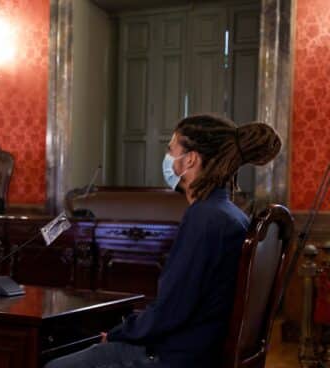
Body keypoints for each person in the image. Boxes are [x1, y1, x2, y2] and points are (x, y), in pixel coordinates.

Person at [44, 114, 282, 368]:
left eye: (171, 150)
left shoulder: (204, 217)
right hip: (202, 350)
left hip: (176, 357)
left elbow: (172, 310)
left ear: (190, 159)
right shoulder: (230, 214)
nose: (167, 158)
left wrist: (118, 333)